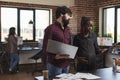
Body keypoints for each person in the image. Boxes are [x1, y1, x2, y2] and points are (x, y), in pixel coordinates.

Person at [42, 6, 72, 80]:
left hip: (66, 64)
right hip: (54, 65)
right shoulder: (50, 29)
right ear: (62, 14)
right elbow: (45, 47)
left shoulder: (68, 29)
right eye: (69, 15)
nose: (70, 18)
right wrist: (54, 56)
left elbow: (69, 44)